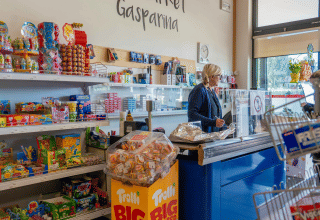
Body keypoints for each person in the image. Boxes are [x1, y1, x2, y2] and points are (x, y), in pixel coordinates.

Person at [188, 63, 226, 132]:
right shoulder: (199, 90)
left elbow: (216, 115)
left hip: (213, 136)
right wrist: (213, 122)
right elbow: (192, 115)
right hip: (202, 135)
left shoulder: (211, 91)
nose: (220, 79)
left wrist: (224, 127)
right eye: (219, 76)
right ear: (212, 77)